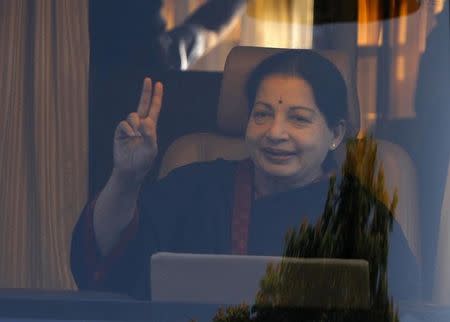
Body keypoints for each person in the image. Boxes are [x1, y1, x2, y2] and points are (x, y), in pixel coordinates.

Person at [71, 50, 420, 302]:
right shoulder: (196, 188)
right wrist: (126, 177)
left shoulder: (363, 216)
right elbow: (108, 262)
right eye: (262, 114)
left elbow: (405, 307)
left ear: (334, 133)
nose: (275, 133)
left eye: (298, 119)